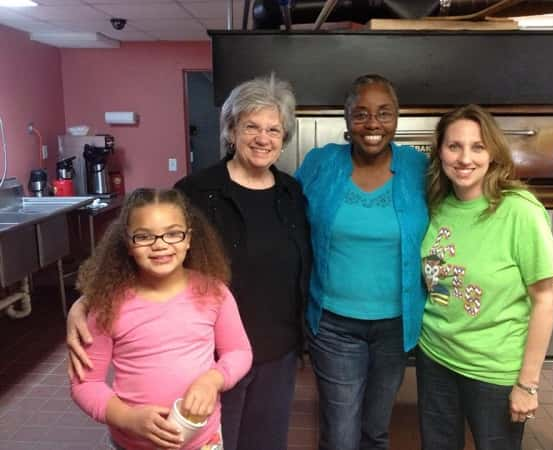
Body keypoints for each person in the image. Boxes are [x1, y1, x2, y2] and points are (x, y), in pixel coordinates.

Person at [66, 75, 311, 450]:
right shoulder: (196, 191)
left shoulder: (292, 193)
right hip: (204, 355)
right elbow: (151, 252)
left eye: (274, 130)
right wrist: (86, 301)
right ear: (231, 130)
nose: (264, 138)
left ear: (283, 138)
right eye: (251, 127)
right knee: (207, 439)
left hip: (277, 348)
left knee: (266, 442)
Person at [295, 73, 429, 450]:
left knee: (376, 429)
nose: (373, 124)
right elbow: (286, 211)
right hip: (334, 324)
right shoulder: (322, 163)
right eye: (362, 114)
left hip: (396, 324)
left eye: (384, 113)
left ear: (397, 118)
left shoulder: (418, 168)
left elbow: (455, 214)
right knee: (340, 434)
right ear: (346, 119)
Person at [418, 104, 553, 450]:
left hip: (493, 371)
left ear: (493, 153)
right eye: (454, 146)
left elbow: (544, 299)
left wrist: (528, 384)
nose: (464, 158)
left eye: (477, 147)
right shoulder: (437, 204)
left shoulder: (519, 210)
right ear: (440, 152)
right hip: (435, 357)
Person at [70, 188, 252, 450]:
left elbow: (239, 351)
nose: (160, 244)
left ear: (189, 238)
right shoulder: (108, 304)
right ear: (128, 243)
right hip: (131, 444)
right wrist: (128, 418)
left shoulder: (214, 293)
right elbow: (86, 383)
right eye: (143, 236)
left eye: (173, 233)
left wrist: (213, 379)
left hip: (203, 442)